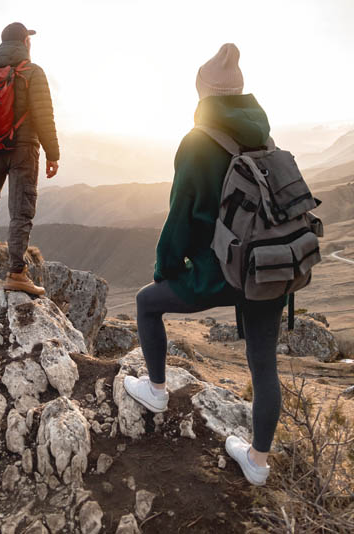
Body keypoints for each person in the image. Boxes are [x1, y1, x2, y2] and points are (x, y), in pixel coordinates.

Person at [124, 44, 284, 486]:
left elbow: (181, 218)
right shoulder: (264, 138)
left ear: (203, 94)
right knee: (264, 363)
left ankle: (155, 391)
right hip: (267, 269)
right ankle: (257, 462)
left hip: (219, 273)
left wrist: (166, 269)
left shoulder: (198, 142)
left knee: (146, 302)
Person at [0, 22, 60, 295]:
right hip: (23, 148)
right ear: (25, 41)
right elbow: (44, 115)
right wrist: (53, 154)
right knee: (21, 209)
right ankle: (16, 273)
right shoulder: (32, 72)